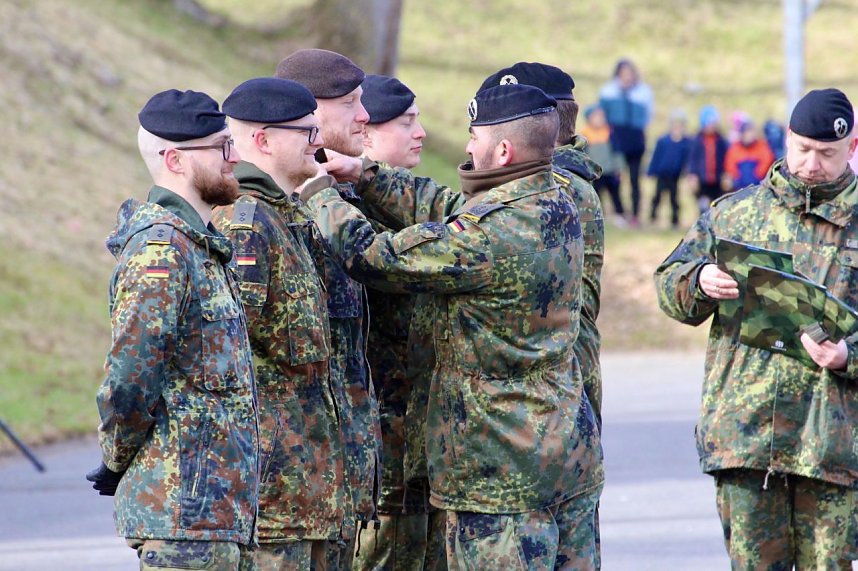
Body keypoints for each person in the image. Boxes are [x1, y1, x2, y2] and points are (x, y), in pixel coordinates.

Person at [303, 83, 604, 570]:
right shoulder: (555, 200)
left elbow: (376, 257)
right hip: (564, 455)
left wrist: (317, 194)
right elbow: (446, 208)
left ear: (502, 150)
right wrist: (366, 174)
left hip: (499, 470)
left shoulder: (490, 236)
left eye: (473, 136)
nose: (466, 147)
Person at [653, 88, 858, 569]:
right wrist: (699, 279)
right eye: (803, 149)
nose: (811, 164)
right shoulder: (734, 214)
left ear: (851, 149)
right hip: (746, 441)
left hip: (830, 446)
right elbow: (670, 287)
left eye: (826, 154)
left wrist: (850, 355)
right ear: (787, 139)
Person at [86, 89, 259, 569]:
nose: (236, 157)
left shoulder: (203, 247)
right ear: (175, 160)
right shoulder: (161, 252)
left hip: (219, 515)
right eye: (222, 147)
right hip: (182, 514)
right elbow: (130, 380)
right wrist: (116, 458)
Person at [211, 78, 353, 569]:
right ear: (265, 139)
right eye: (306, 132)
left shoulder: (287, 216)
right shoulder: (246, 223)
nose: (319, 142)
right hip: (271, 502)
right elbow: (224, 359)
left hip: (309, 496)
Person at [275, 48, 383, 561]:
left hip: (343, 490)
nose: (365, 117)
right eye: (353, 104)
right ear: (311, 111)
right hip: (290, 498)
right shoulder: (266, 217)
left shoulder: (340, 201)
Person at [350, 74, 447, 571]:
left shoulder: (413, 209)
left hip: (425, 449)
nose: (422, 133)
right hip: (380, 455)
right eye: (406, 122)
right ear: (365, 135)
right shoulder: (344, 213)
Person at [598, 58, 654, 227]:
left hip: (636, 139)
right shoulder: (609, 92)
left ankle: (635, 214)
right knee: (615, 177)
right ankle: (619, 212)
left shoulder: (643, 92)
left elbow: (648, 115)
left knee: (635, 179)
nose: (627, 77)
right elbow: (602, 115)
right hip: (617, 138)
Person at [580, 103, 626, 226]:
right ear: (589, 118)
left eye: (602, 116)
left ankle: (619, 215)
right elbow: (583, 155)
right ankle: (599, 215)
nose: (600, 119)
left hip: (610, 171)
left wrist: (619, 168)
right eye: (596, 116)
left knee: (615, 194)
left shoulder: (609, 132)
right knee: (597, 195)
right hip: (595, 173)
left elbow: (617, 152)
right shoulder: (585, 134)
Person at [647, 109, 692, 228]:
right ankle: (652, 217)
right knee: (657, 196)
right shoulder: (663, 141)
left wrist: (686, 172)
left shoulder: (686, 143)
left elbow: (687, 160)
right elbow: (656, 156)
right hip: (662, 173)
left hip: (674, 175)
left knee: (674, 198)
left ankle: (675, 220)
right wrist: (651, 170)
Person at [687, 105, 728, 213]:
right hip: (702, 180)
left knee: (717, 207)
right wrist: (692, 175)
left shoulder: (721, 141)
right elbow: (693, 159)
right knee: (703, 207)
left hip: (717, 180)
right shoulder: (697, 141)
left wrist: (726, 174)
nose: (712, 126)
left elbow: (726, 158)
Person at [724, 118, 775, 192]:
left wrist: (757, 175)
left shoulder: (762, 146)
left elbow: (768, 160)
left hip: (758, 185)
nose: (749, 136)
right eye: (746, 133)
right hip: (739, 187)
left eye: (751, 132)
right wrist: (737, 177)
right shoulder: (735, 148)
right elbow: (729, 165)